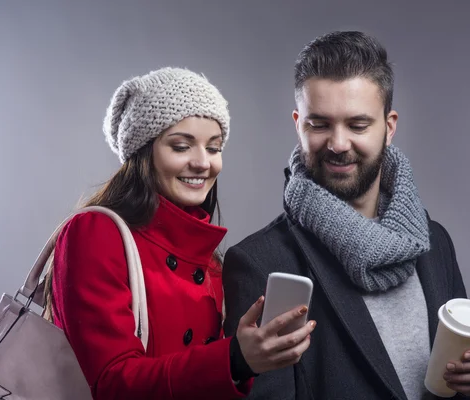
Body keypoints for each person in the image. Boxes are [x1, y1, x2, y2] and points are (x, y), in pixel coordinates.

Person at [222, 31, 470, 400]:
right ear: (297, 124)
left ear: (390, 126)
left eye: (358, 125)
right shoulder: (259, 262)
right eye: (319, 123)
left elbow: (463, 381)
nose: (337, 144)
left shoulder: (435, 242)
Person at [43, 67, 316, 400]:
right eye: (181, 146)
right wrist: (234, 359)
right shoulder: (95, 233)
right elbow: (112, 383)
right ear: (143, 153)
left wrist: (253, 357)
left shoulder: (211, 262)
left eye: (214, 148)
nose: (203, 163)